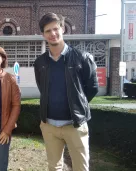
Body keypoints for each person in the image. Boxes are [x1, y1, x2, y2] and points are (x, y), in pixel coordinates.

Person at [34, 13, 99, 171]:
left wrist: (76, 104)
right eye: (48, 31)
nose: (53, 34)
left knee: (81, 168)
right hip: (49, 125)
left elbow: (92, 88)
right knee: (54, 167)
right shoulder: (40, 62)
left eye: (56, 29)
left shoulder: (82, 58)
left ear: (63, 29)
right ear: (43, 34)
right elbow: (42, 88)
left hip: (75, 125)